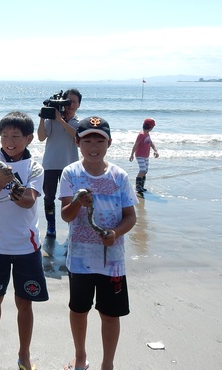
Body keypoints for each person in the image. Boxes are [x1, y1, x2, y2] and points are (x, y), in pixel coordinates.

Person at [59, 116, 137, 370]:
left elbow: (130, 216)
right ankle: (80, 356)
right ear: (77, 142)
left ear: (109, 143)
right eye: (87, 139)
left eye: (99, 140)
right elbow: (66, 216)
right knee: (79, 310)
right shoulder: (71, 173)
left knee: (110, 314)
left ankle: (108, 364)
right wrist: (77, 203)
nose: (93, 145)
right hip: (80, 260)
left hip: (112, 261)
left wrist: (115, 233)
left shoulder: (120, 176)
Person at [0, 111, 47, 370]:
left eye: (16, 136)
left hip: (27, 247)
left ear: (28, 138)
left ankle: (24, 354)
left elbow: (28, 202)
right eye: (5, 136)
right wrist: (3, 178)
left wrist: (16, 188)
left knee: (24, 302)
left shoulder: (35, 167)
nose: (9, 141)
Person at [37, 88, 82, 238]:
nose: (71, 105)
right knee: (49, 197)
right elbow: (41, 137)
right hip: (50, 164)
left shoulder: (79, 123)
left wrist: (60, 120)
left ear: (78, 105)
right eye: (68, 101)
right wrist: (43, 117)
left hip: (70, 167)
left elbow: (77, 138)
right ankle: (51, 226)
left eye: (74, 102)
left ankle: (72, 227)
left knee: (72, 198)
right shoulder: (51, 120)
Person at [128, 118, 159, 197]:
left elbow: (151, 143)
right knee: (143, 170)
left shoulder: (147, 134)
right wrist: (131, 154)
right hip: (140, 155)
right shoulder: (141, 135)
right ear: (151, 127)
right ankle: (138, 187)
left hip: (146, 155)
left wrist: (155, 150)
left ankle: (142, 186)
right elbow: (136, 144)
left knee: (145, 171)